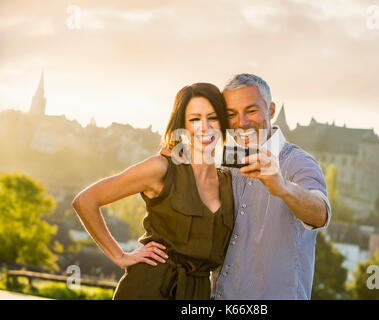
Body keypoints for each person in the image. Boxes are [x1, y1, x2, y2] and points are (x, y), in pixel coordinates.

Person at [155, 73, 332, 299]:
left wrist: (282, 187)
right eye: (231, 114)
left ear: (271, 110)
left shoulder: (297, 162)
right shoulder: (225, 164)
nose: (242, 122)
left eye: (251, 111)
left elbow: (320, 214)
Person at [71, 83, 234, 300]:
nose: (204, 126)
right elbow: (86, 201)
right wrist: (120, 256)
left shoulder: (230, 183)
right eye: (194, 119)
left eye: (212, 117)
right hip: (147, 289)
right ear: (182, 125)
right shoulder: (162, 168)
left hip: (197, 296)